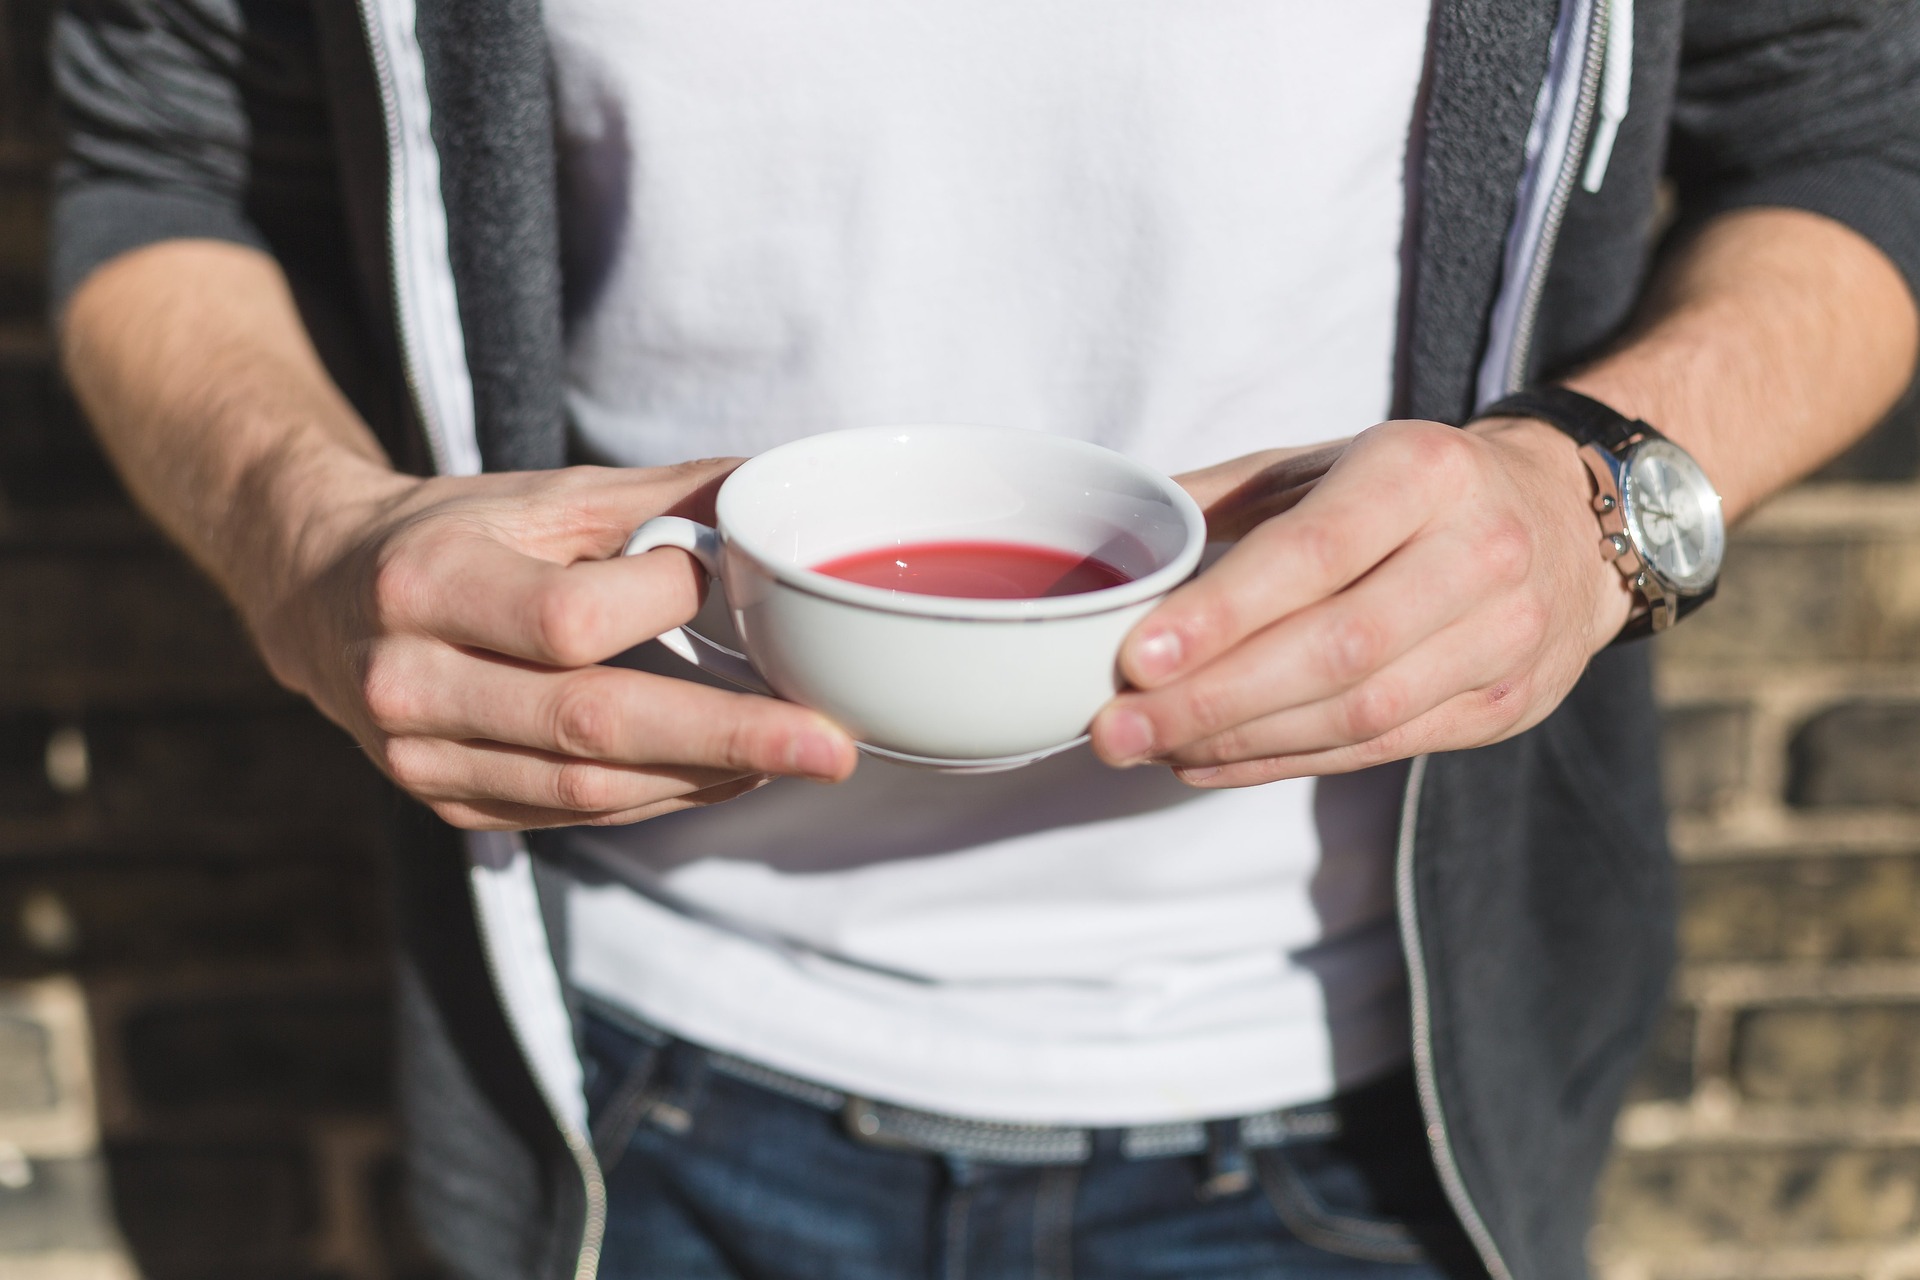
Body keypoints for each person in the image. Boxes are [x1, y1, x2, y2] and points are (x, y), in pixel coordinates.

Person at [49, 2, 1919, 1277]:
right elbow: (157, 165)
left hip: (1366, 1124)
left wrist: (1601, 502)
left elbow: (1860, 136)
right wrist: (305, 535)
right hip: (628, 1085)